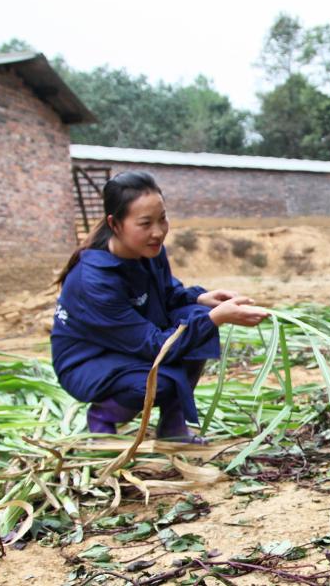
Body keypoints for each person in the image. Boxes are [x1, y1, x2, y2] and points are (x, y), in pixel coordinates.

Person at [51, 171, 268, 443]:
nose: (158, 232)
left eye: (162, 219)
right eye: (145, 223)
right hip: (90, 360)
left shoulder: (148, 249)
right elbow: (155, 345)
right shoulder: (95, 281)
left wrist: (201, 299)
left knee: (198, 320)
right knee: (161, 381)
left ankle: (172, 425)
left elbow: (168, 294)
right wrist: (215, 318)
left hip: (131, 342)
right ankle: (103, 417)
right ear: (115, 224)